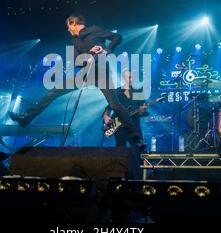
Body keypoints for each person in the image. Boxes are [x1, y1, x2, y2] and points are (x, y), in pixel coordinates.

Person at [9, 15, 145, 150]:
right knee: (54, 91)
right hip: (86, 74)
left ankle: (136, 138)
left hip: (102, 73)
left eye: (68, 26)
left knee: (115, 105)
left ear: (74, 23)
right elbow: (77, 61)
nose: (68, 30)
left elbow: (117, 37)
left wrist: (106, 50)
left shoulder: (93, 30)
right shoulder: (74, 41)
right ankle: (26, 118)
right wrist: (87, 57)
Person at [102, 70, 148, 147]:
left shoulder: (138, 91)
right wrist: (105, 116)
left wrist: (142, 109)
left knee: (138, 148)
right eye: (129, 77)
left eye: (133, 77)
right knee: (120, 148)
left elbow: (141, 108)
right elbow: (109, 107)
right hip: (120, 127)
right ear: (124, 79)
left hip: (134, 126)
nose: (132, 80)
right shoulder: (117, 91)